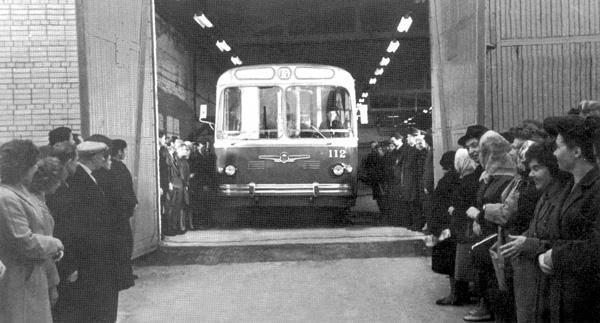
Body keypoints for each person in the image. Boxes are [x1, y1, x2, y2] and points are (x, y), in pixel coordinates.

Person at [536, 115, 600, 322]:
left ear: (577, 151)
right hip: (563, 293)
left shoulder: (596, 189)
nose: (554, 153)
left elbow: (596, 247)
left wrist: (554, 256)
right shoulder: (569, 186)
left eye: (558, 147)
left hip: (587, 298)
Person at [498, 142, 569, 323]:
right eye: (530, 169)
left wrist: (528, 243)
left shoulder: (562, 200)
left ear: (553, 168)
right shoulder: (545, 196)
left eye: (536, 168)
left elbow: (563, 242)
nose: (531, 174)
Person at [53, 141, 121, 323]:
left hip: (94, 255)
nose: (105, 159)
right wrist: (71, 264)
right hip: (89, 257)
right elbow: (74, 225)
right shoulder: (78, 179)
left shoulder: (89, 176)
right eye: (102, 155)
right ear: (94, 157)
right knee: (92, 309)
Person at [0, 139, 64, 323]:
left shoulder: (20, 192)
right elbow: (25, 242)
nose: (37, 168)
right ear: (23, 167)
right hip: (17, 282)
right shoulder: (6, 198)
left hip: (30, 278)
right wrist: (55, 243)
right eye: (33, 164)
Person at [27, 157, 69, 311]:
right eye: (58, 180)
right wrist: (53, 285)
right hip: (40, 277)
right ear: (49, 181)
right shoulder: (38, 208)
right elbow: (43, 251)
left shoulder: (33, 199)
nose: (60, 184)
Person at [428, 150, 460, 305]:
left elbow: (439, 204)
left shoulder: (448, 181)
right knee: (454, 261)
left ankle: (455, 295)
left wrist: (436, 227)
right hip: (448, 224)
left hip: (446, 226)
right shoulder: (456, 179)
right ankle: (458, 293)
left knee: (451, 262)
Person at [107, 139, 138, 289]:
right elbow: (122, 191)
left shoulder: (115, 167)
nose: (125, 153)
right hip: (119, 214)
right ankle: (123, 274)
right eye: (124, 150)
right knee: (124, 244)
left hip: (119, 212)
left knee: (125, 243)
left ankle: (125, 272)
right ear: (119, 151)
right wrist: (130, 203)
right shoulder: (118, 167)